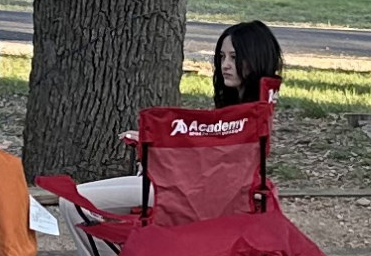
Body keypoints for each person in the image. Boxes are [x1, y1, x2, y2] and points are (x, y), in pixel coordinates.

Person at [63, 21, 282, 216]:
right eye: (222, 57)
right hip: (184, 187)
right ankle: (119, 253)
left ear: (255, 58)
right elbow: (205, 152)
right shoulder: (241, 109)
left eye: (234, 57)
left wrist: (158, 144)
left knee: (73, 203)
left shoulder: (254, 115)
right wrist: (155, 143)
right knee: (71, 201)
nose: (225, 64)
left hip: (191, 193)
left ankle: (118, 254)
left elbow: (214, 161)